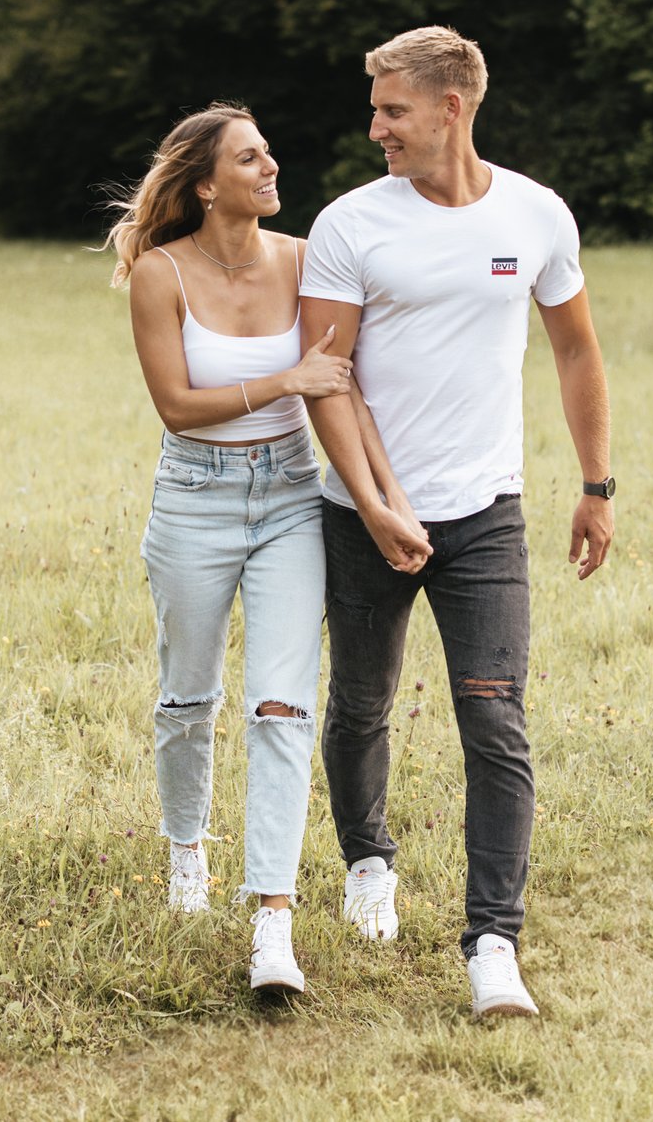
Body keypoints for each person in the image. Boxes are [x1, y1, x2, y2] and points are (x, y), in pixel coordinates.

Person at [299, 26, 615, 1020]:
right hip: (360, 513)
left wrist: (597, 483)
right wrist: (381, 506)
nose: (375, 128)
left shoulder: (535, 213)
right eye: (375, 108)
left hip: (485, 512)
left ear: (450, 106)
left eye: (391, 109)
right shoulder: (351, 223)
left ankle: (492, 942)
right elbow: (326, 379)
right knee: (359, 703)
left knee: (496, 720)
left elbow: (574, 351)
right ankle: (367, 861)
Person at [105, 103, 407, 998]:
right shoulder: (161, 274)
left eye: (269, 151)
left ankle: (273, 920)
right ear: (205, 183)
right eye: (250, 157)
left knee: (283, 707)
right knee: (188, 696)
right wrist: (282, 379)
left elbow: (347, 386)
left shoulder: (306, 258)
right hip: (193, 496)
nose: (272, 165)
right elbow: (175, 405)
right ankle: (187, 849)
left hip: (286, 495)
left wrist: (382, 496)